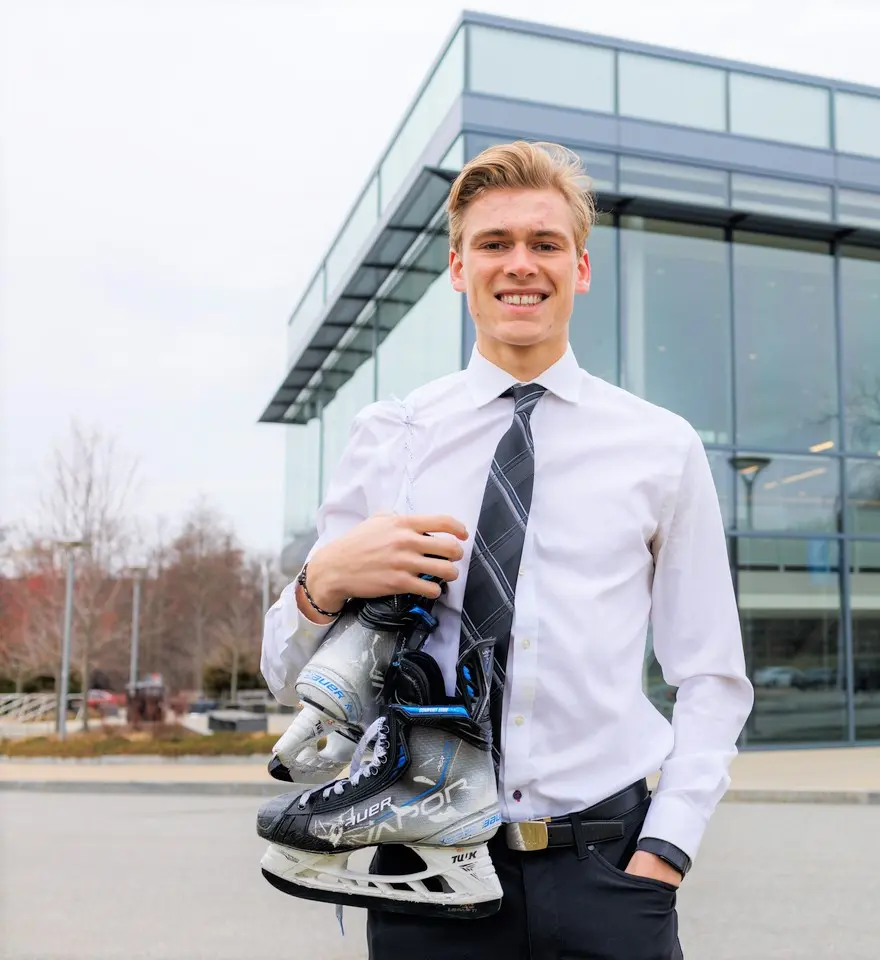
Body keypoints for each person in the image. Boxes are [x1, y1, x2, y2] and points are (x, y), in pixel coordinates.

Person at [260, 139, 754, 959]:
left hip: (607, 871)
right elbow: (287, 674)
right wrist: (324, 580)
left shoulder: (659, 447)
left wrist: (666, 849)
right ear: (458, 268)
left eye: (544, 243)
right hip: (422, 873)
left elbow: (711, 674)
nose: (519, 265)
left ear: (581, 268)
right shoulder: (393, 438)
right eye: (494, 244)